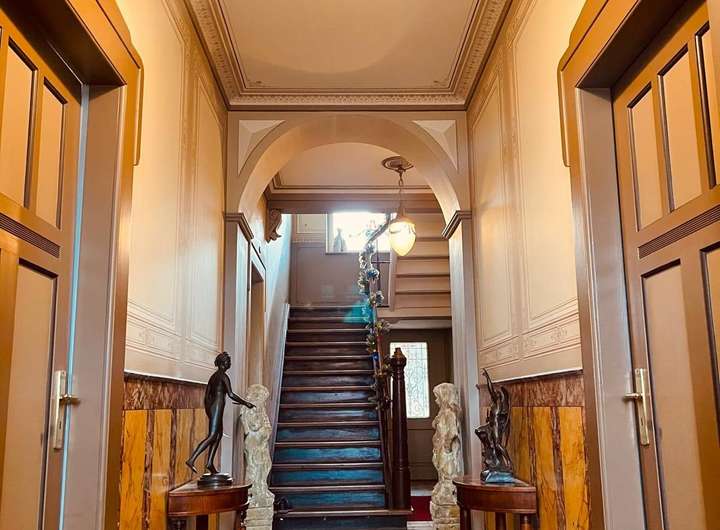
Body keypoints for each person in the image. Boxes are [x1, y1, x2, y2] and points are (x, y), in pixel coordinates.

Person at [186, 352, 254, 474]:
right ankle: (192, 459)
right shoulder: (223, 376)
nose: (230, 363)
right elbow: (231, 394)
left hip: (213, 407)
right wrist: (246, 403)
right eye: (228, 361)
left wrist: (209, 410)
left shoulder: (213, 376)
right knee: (212, 435)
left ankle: (209, 463)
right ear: (223, 363)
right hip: (217, 406)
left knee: (218, 435)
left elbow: (207, 396)